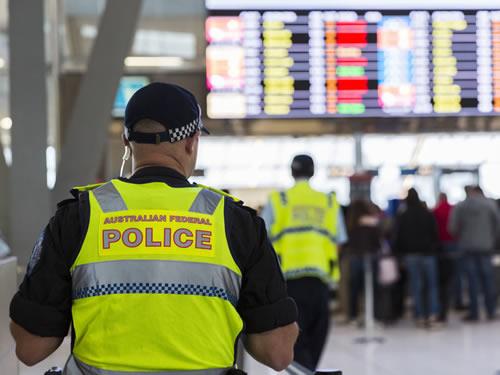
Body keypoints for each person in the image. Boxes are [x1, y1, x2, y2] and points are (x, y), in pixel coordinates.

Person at [9, 82, 299, 374]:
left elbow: (31, 348)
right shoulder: (235, 221)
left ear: (126, 141)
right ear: (192, 141)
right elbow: (277, 353)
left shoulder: (78, 217)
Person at [261, 154, 347, 371]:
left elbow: (262, 239)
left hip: (288, 282)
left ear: (292, 172)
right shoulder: (328, 201)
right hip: (320, 280)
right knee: (317, 335)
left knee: (295, 341)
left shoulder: (279, 200)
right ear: (313, 172)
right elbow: (339, 240)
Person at [449, 185, 499, 321]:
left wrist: (462, 237)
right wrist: (492, 239)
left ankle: (474, 313)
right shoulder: (490, 204)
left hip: (468, 248)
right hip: (486, 248)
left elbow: (452, 228)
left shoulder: (461, 206)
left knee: (472, 281)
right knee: (489, 280)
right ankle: (491, 310)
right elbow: (497, 225)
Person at [393, 188, 441, 328]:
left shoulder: (403, 215)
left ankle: (419, 315)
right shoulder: (427, 213)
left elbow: (399, 236)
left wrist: (399, 254)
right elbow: (434, 233)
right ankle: (433, 314)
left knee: (416, 286)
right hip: (428, 254)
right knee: (432, 286)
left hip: (411, 255)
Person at [344, 199, 381, 324]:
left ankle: (353, 316)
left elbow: (346, 241)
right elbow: (377, 241)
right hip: (371, 257)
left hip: (355, 256)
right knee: (371, 288)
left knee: (354, 288)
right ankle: (372, 315)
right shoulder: (372, 222)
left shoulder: (350, 223)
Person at [433, 192, 461, 322]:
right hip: (454, 243)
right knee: (456, 275)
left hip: (441, 245)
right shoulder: (454, 209)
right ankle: (457, 301)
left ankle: (445, 303)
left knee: (443, 277)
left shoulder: (436, 211)